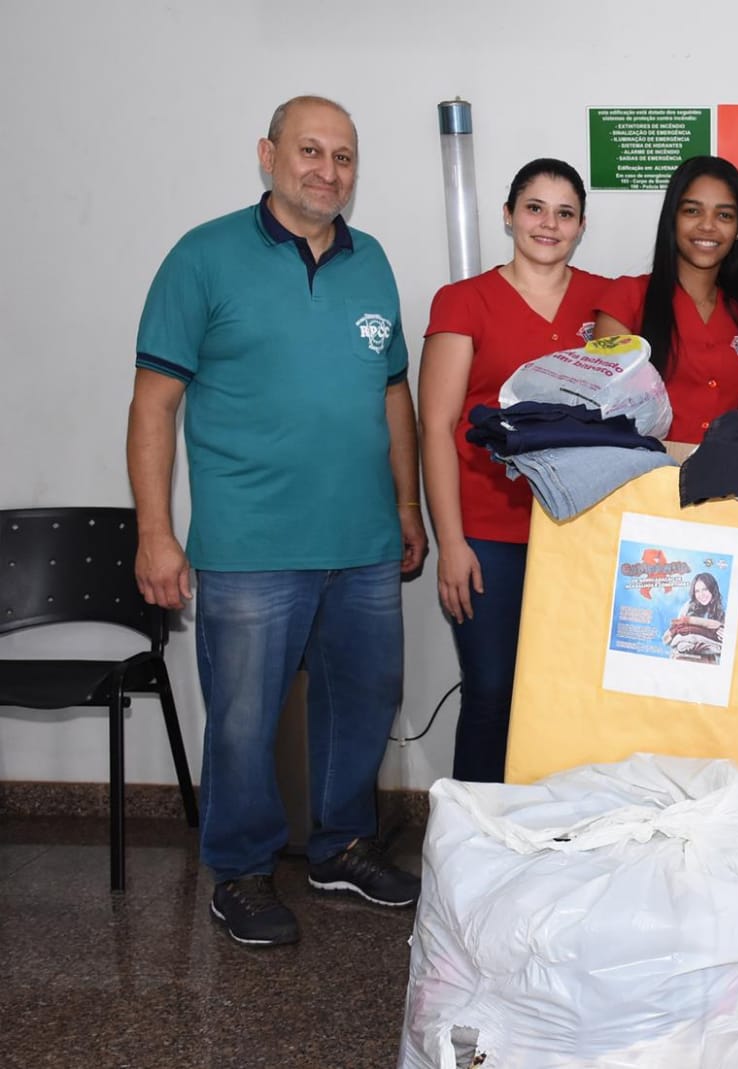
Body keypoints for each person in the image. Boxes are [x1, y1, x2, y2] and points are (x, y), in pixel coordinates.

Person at [127, 95, 425, 948]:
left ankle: (340, 846)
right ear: (268, 154)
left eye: (343, 156)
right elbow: (154, 406)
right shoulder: (203, 257)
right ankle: (242, 870)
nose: (327, 170)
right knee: (245, 719)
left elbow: (392, 393)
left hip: (364, 543)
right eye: (310, 150)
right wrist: (156, 530)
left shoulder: (372, 263)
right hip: (253, 547)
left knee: (361, 705)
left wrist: (406, 506)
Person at [418, 158, 610, 784]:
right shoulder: (463, 301)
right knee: (492, 692)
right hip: (488, 535)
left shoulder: (604, 302)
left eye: (565, 213)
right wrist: (451, 542)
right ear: (507, 214)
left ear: (581, 225)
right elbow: (437, 429)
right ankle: (470, 845)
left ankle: (546, 838)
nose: (548, 224)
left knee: (568, 697)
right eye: (534, 208)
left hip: (579, 533)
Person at [593, 156, 738, 444]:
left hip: (725, 483)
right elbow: (604, 413)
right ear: (673, 218)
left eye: (724, 215)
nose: (708, 226)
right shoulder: (628, 298)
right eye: (693, 211)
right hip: (644, 480)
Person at [663, 572, 726, 662]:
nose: (701, 594)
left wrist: (725, 638)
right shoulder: (688, 607)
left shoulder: (721, 614)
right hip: (684, 658)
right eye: (697, 591)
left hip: (707, 662)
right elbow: (677, 633)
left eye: (705, 589)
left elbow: (723, 647)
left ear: (712, 589)